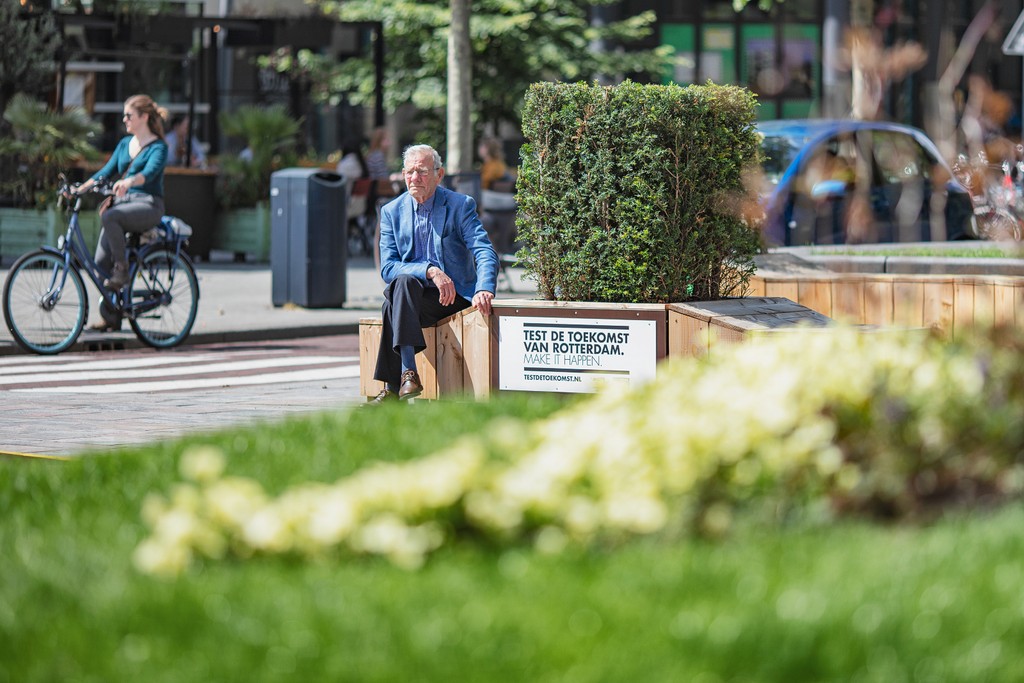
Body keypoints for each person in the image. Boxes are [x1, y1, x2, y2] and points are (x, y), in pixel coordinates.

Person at [370, 144, 498, 404]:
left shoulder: (459, 205)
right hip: (415, 297)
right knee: (402, 285)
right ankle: (408, 373)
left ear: (439, 175)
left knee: (391, 302)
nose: (414, 178)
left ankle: (395, 387)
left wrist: (484, 288)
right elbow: (388, 268)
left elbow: (484, 250)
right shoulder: (391, 212)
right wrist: (429, 271)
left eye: (422, 172)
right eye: (409, 172)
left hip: (453, 297)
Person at [75, 94, 169, 330]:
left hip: (148, 205)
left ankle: (123, 270)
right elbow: (104, 173)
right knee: (99, 263)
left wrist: (129, 182)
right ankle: (112, 317)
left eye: (129, 115)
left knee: (110, 216)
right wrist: (79, 189)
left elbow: (150, 172)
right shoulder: (124, 145)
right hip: (125, 205)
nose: (124, 119)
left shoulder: (158, 146)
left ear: (144, 117)